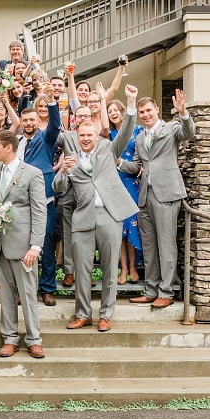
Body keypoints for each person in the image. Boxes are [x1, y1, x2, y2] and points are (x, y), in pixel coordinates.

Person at [53, 84, 139, 332]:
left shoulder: (108, 149)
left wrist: (130, 103)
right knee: (82, 269)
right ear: (77, 138)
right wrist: (64, 170)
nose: (86, 138)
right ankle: (82, 314)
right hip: (82, 218)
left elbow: (125, 132)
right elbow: (58, 187)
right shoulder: (72, 158)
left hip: (110, 216)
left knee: (111, 269)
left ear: (96, 135)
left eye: (90, 135)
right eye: (82, 136)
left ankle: (106, 315)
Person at [124, 90, 195, 309]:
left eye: (148, 111)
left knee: (166, 244)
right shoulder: (139, 137)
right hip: (145, 195)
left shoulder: (171, 128)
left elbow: (188, 133)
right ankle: (151, 289)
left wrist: (183, 113)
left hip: (167, 193)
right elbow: (136, 166)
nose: (145, 115)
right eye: (142, 112)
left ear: (156, 109)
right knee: (150, 246)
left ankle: (166, 291)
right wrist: (116, 161)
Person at [0, 131, 47, 358]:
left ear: (8, 148)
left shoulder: (32, 173)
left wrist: (35, 246)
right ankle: (10, 338)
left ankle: (34, 339)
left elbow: (40, 211)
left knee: (28, 293)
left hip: (24, 245)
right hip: (0, 243)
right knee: (6, 294)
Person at [16, 90, 61, 306]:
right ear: (21, 122)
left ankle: (48, 288)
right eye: (24, 120)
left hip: (45, 200)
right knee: (22, 245)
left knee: (47, 244)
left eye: (32, 119)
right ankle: (24, 288)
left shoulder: (47, 138)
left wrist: (51, 102)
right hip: (21, 203)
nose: (28, 123)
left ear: (37, 121)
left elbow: (54, 125)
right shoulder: (15, 143)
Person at [56, 105, 97, 288]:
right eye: (79, 116)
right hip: (67, 190)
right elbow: (51, 135)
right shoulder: (66, 136)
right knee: (67, 234)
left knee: (88, 235)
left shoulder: (95, 137)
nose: (82, 118)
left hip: (87, 193)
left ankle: (87, 273)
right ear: (74, 118)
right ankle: (69, 272)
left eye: (86, 115)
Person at [107, 98, 145, 284]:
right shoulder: (109, 135)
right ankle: (123, 268)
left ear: (123, 111)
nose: (113, 113)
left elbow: (142, 158)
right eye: (109, 111)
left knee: (132, 226)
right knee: (119, 228)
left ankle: (133, 267)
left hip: (133, 183)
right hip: (115, 183)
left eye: (115, 110)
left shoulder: (138, 131)